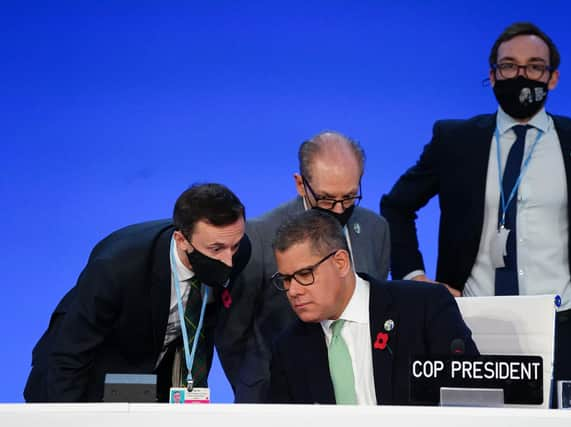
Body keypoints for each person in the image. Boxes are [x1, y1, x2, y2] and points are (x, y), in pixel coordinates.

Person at [379, 21, 571, 406]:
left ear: (552, 79)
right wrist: (415, 278)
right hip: (467, 320)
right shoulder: (455, 140)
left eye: (534, 66)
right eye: (509, 66)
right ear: (492, 75)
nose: (521, 75)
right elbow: (397, 205)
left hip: (564, 323)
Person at [24, 183, 251, 402]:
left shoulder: (236, 251)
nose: (229, 260)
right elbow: (70, 354)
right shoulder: (116, 267)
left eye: (235, 245)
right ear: (181, 240)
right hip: (82, 374)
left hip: (152, 379)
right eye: (216, 249)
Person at [217, 131, 391, 402]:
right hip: (277, 395)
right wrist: (255, 390)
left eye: (349, 197)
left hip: (359, 393)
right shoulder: (260, 237)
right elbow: (233, 334)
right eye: (325, 198)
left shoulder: (375, 229)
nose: (337, 208)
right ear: (300, 184)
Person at [268, 210, 478, 404]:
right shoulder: (288, 348)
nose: (293, 291)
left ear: (340, 263)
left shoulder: (422, 307)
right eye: (286, 280)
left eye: (304, 275)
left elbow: (474, 394)